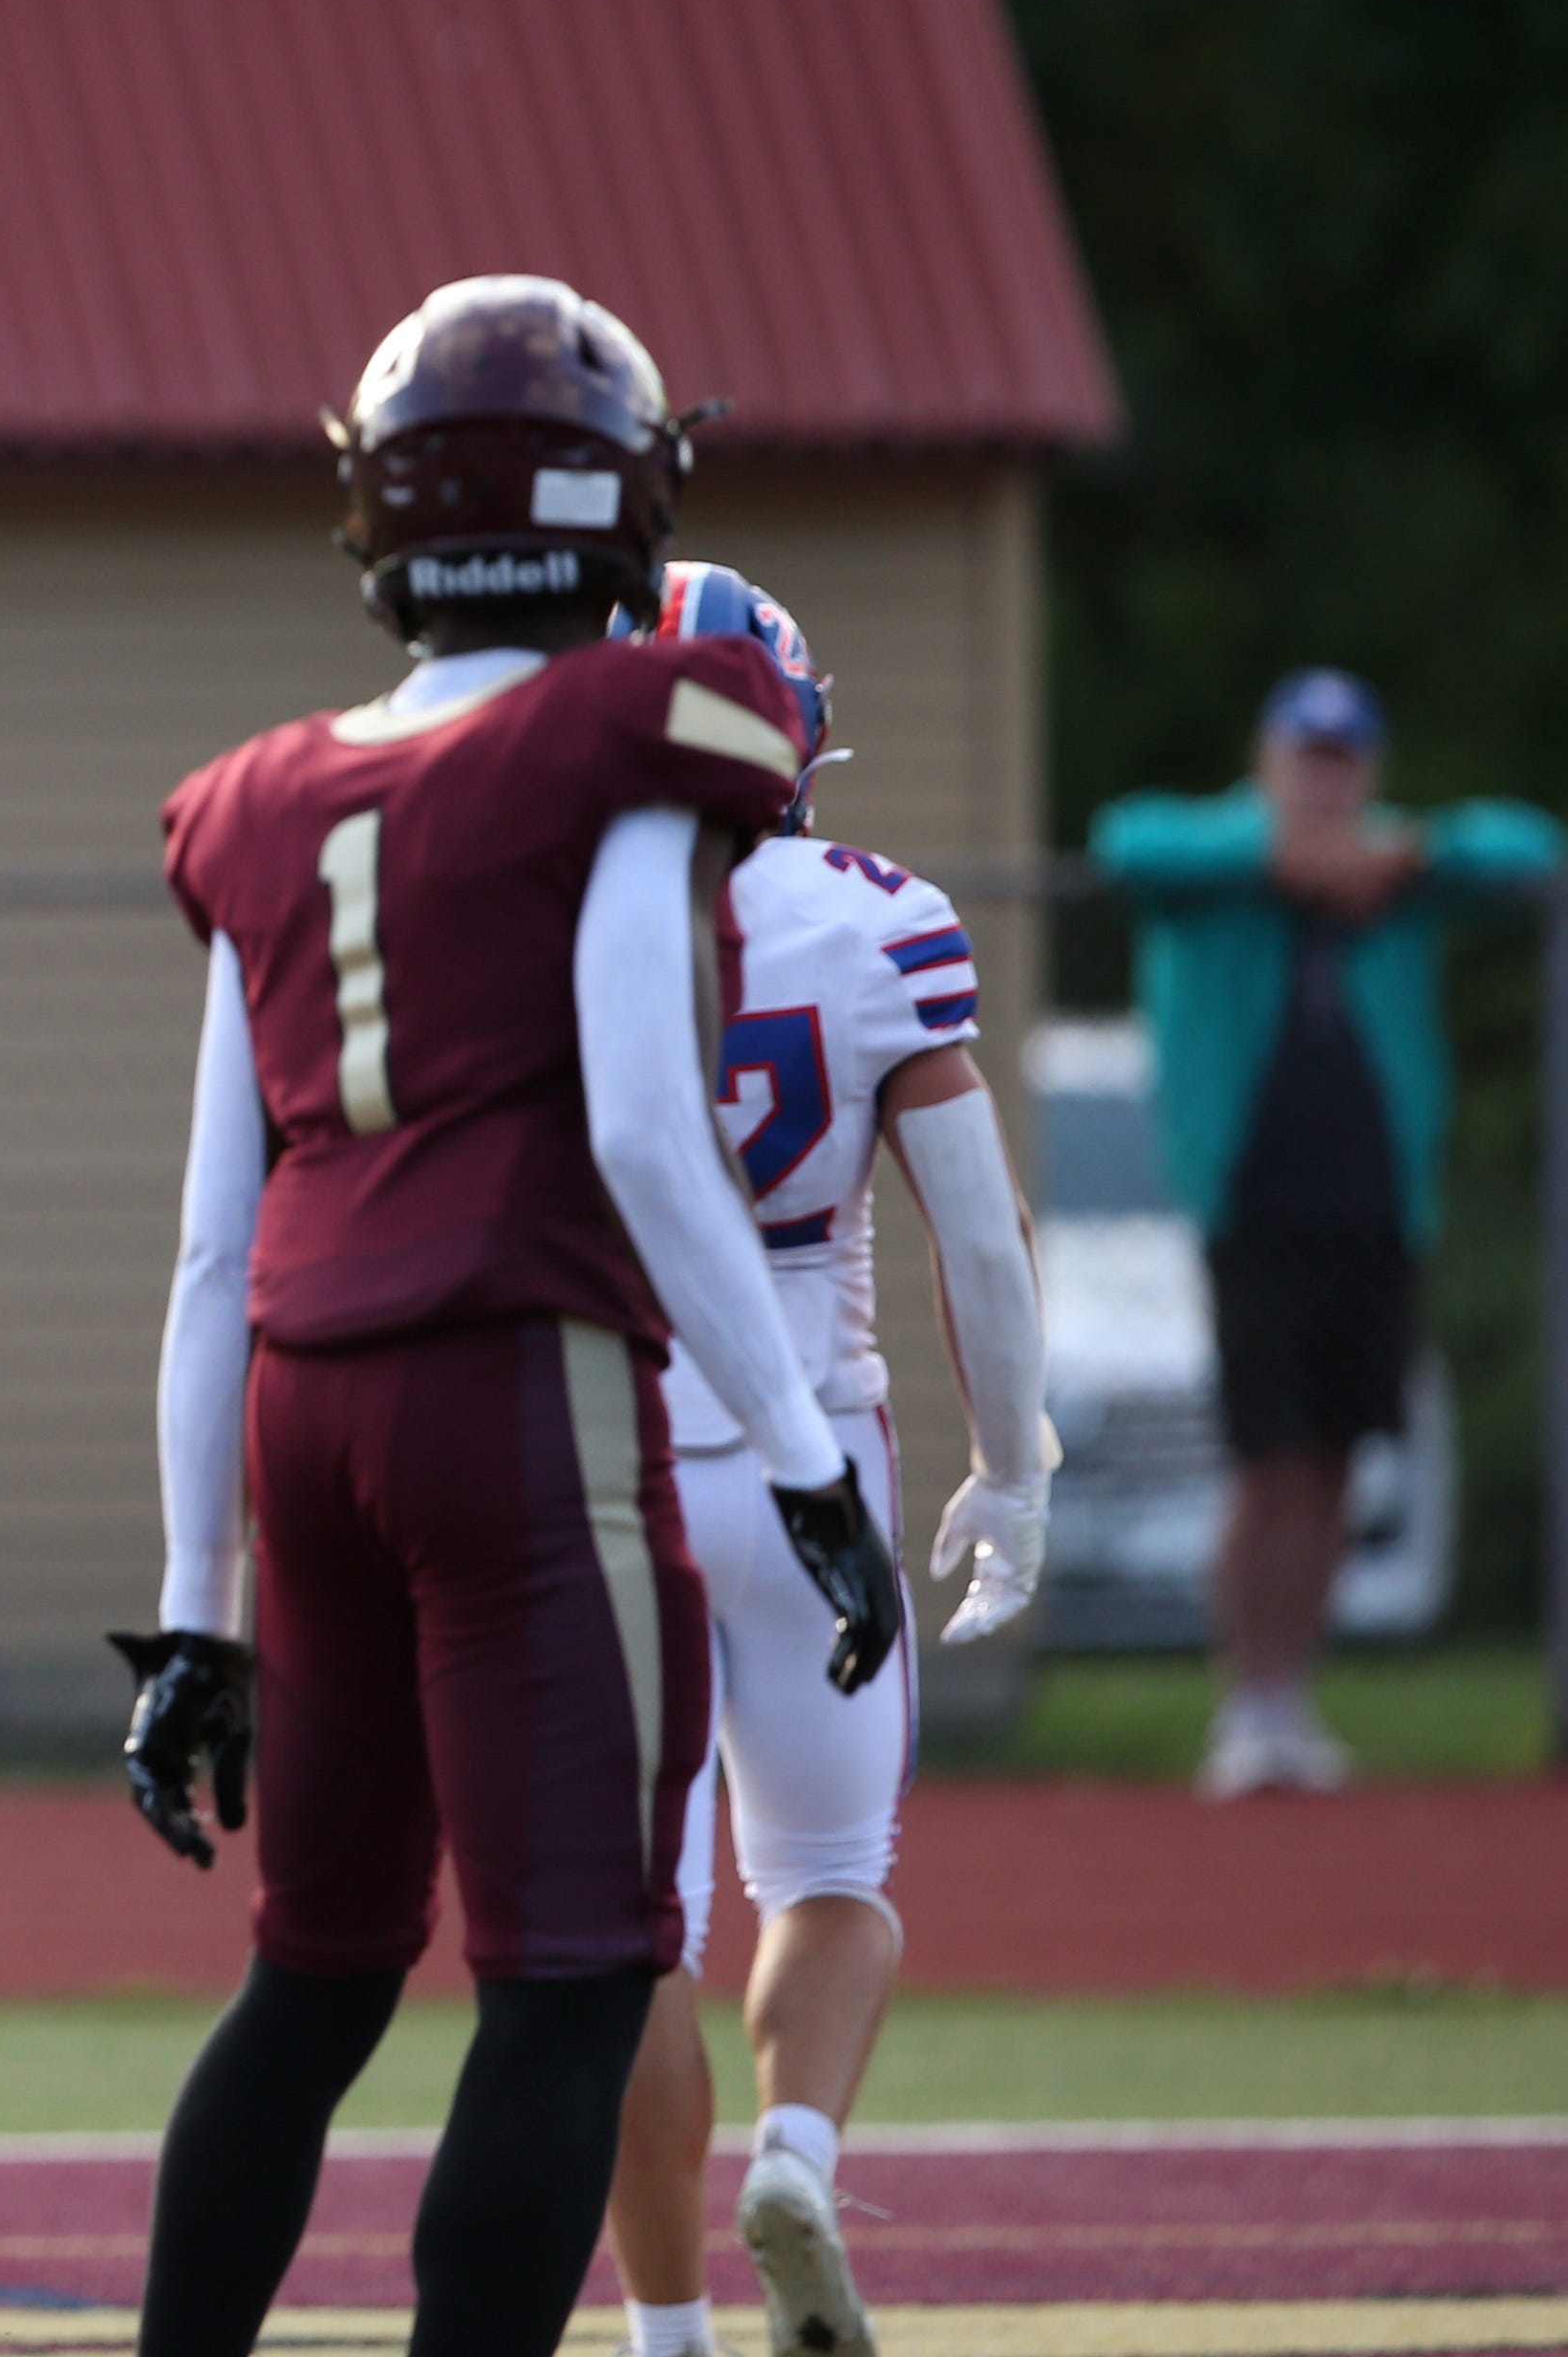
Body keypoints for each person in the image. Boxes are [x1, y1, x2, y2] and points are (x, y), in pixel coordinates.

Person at [113, 279, 903, 2357]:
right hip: (517, 1385)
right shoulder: (637, 729)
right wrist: (811, 1460)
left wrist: (194, 1606)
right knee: (563, 1977)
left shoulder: (258, 794)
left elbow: (213, 1240)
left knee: (315, 1974)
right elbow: (649, 1130)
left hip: (302, 1401)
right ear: (617, 506)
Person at [600, 566, 1050, 2357]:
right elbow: (982, 1237)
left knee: (634, 1927)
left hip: (600, 1450)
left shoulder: (529, 914)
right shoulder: (876, 918)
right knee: (834, 1872)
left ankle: (665, 2332)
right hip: (817, 1455)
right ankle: (794, 2146)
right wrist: (1011, 1466)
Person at [1093, 667, 1557, 1800]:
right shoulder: (1216, 862)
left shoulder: (1398, 870)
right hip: (1253, 1208)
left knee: (1341, 1460)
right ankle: (1241, 1704)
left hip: (1374, 1209)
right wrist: (1271, 856)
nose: (1321, 780)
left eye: (1341, 760)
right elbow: (1125, 842)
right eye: (1304, 757)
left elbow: (1525, 847)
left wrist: (1405, 860)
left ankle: (1291, 1700)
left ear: (1368, 773)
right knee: (1265, 1460)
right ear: (1268, 763)